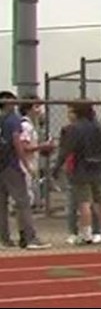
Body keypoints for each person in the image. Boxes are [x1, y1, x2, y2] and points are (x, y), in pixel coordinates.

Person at [0, 92, 51, 249]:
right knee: (23, 202)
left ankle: (5, 238)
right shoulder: (14, 121)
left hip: (2, 164)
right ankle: (29, 238)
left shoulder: (3, 120)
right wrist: (26, 165)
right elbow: (18, 144)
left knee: (2, 203)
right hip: (12, 165)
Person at [60, 103, 101, 244]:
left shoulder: (73, 129)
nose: (68, 114)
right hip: (98, 167)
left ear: (77, 112)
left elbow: (67, 149)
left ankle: (86, 234)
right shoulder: (98, 128)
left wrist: (57, 166)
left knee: (84, 203)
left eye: (70, 111)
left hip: (81, 168)